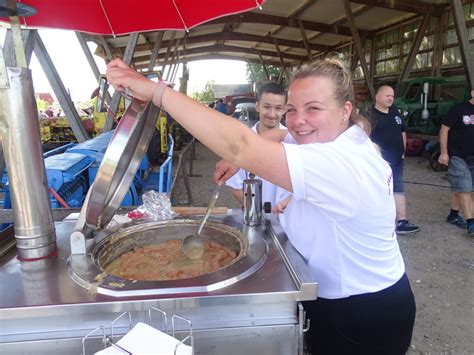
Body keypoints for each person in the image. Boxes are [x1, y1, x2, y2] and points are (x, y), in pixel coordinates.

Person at [107, 57, 416, 354]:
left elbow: (241, 143)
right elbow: (285, 133)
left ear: (345, 110)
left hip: (362, 315)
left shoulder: (341, 163)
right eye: (292, 109)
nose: (298, 120)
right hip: (346, 300)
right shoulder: (342, 138)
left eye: (314, 108)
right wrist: (247, 154)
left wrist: (159, 93)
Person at [225, 82, 288, 206]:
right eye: (267, 107)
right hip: (256, 218)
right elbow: (237, 189)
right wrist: (257, 213)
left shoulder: (292, 142)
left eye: (278, 108)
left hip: (288, 219)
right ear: (258, 106)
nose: (272, 114)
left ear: (284, 110)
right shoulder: (242, 142)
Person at [369, 85, 420, 235]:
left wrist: (403, 151)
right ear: (377, 97)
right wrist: (376, 157)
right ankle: (375, 222)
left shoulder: (395, 112)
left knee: (398, 189)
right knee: (378, 191)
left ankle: (402, 222)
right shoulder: (370, 116)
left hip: (397, 160)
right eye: (387, 95)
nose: (390, 98)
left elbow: (402, 131)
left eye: (392, 96)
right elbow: (363, 139)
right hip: (379, 162)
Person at [438, 88, 474, 235]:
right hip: (458, 156)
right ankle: (471, 223)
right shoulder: (459, 109)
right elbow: (444, 130)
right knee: (465, 188)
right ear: (472, 93)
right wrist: (444, 152)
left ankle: (453, 215)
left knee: (463, 187)